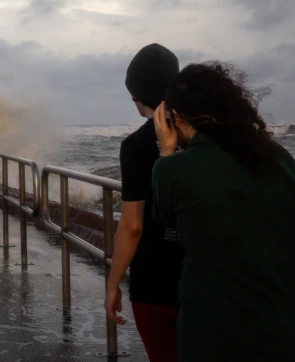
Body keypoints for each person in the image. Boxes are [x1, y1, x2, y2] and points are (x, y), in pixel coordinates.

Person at [152, 62, 295, 361]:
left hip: (215, 331)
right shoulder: (275, 156)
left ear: (174, 118)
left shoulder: (173, 169)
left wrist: (166, 152)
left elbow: (165, 217)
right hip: (294, 329)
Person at [105, 43, 185, 362]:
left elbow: (132, 226)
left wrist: (113, 284)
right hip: (206, 276)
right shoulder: (203, 138)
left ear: (137, 97)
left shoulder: (136, 146)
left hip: (155, 283)